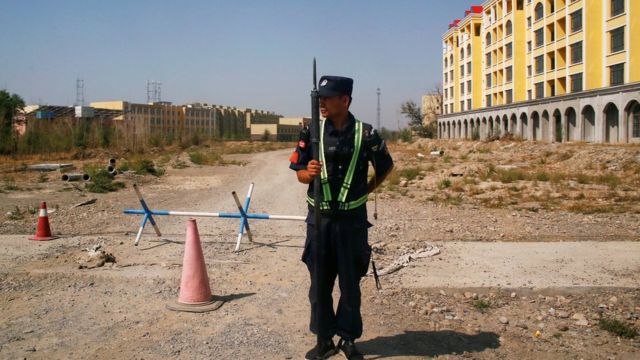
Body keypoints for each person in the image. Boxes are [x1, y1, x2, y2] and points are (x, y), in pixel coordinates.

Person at [289, 76, 394, 360]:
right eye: (319, 98)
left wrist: (364, 191)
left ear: (344, 100)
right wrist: (306, 174)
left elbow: (386, 167)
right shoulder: (311, 131)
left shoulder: (366, 134)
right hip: (320, 221)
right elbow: (297, 171)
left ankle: (348, 339)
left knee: (350, 284)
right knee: (319, 284)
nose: (321, 102)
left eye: (327, 97)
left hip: (352, 223)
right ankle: (324, 339)